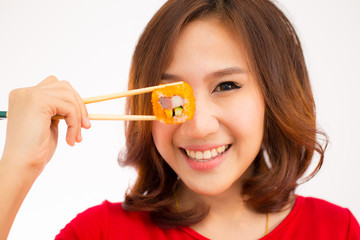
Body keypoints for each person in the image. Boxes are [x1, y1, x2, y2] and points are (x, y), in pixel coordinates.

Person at [1, 0, 359, 239]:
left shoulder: (336, 230)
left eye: (227, 85)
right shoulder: (100, 233)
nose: (199, 125)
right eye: (171, 93)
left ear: (275, 96)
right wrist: (17, 165)